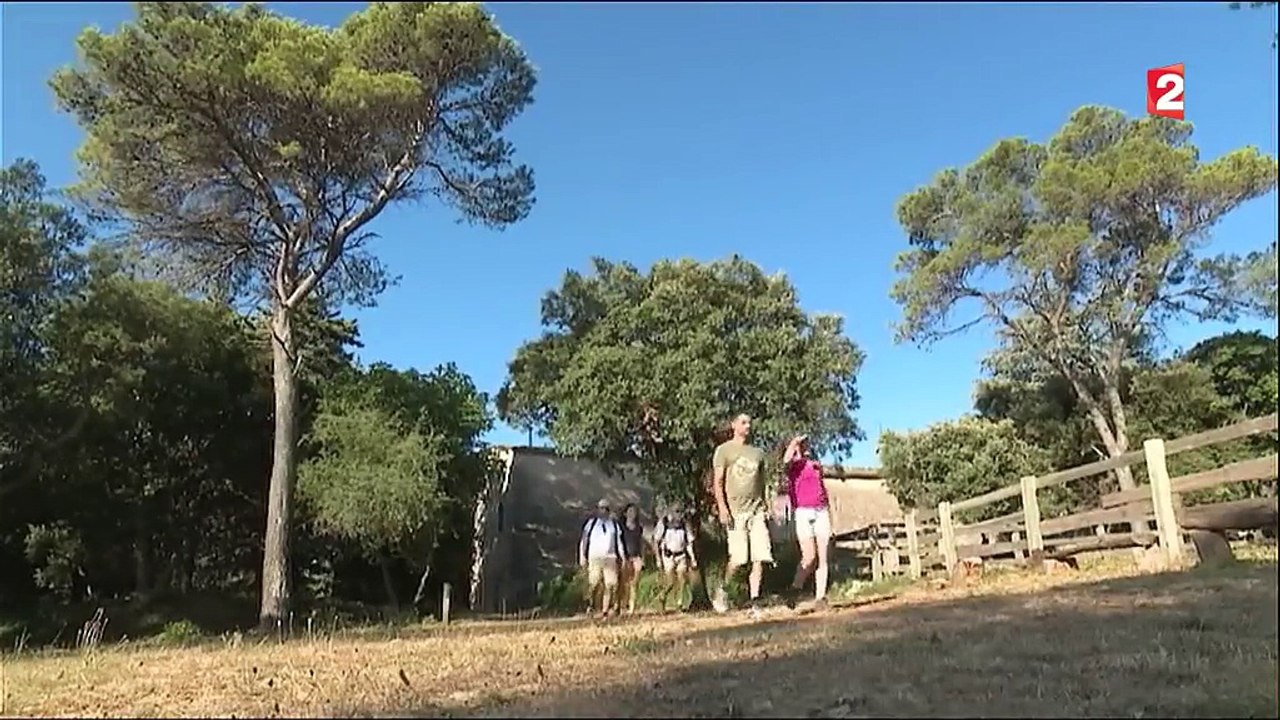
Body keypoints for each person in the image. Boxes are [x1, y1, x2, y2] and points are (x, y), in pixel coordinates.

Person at [710, 413, 777, 616]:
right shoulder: (724, 451)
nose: (748, 426)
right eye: (743, 422)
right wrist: (722, 507)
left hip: (756, 511)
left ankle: (755, 600)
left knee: (760, 556)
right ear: (734, 426)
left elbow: (763, 483)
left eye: (749, 423)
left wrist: (768, 506)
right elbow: (718, 481)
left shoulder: (757, 453)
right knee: (738, 559)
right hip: (735, 512)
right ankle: (722, 591)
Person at [781, 434, 832, 610]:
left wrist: (829, 509)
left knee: (823, 557)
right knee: (809, 557)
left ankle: (820, 598)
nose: (805, 446)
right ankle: (794, 589)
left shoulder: (816, 465)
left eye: (806, 444)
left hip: (821, 510)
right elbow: (786, 460)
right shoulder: (793, 466)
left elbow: (822, 488)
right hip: (803, 512)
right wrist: (794, 442)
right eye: (801, 445)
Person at [578, 498, 625, 618]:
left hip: (610, 557)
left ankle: (605, 610)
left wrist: (622, 556)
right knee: (594, 583)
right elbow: (584, 540)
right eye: (601, 508)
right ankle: (591, 605)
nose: (604, 511)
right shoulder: (592, 523)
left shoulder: (613, 524)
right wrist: (582, 556)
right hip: (594, 556)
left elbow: (618, 541)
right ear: (598, 510)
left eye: (606, 508)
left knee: (611, 584)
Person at [651, 504, 698, 612]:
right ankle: (662, 596)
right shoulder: (664, 523)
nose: (679, 514)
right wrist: (658, 559)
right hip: (668, 556)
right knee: (670, 582)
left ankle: (680, 601)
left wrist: (693, 558)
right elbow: (656, 541)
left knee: (682, 578)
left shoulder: (685, 524)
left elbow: (689, 543)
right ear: (671, 512)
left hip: (681, 555)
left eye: (680, 512)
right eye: (676, 511)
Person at [617, 503, 648, 615]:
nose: (632, 514)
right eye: (630, 511)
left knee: (634, 583)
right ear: (625, 513)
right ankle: (622, 606)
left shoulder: (639, 528)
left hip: (636, 557)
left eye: (634, 511)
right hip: (625, 558)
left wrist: (642, 557)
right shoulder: (621, 527)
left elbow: (641, 543)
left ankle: (632, 608)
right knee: (624, 583)